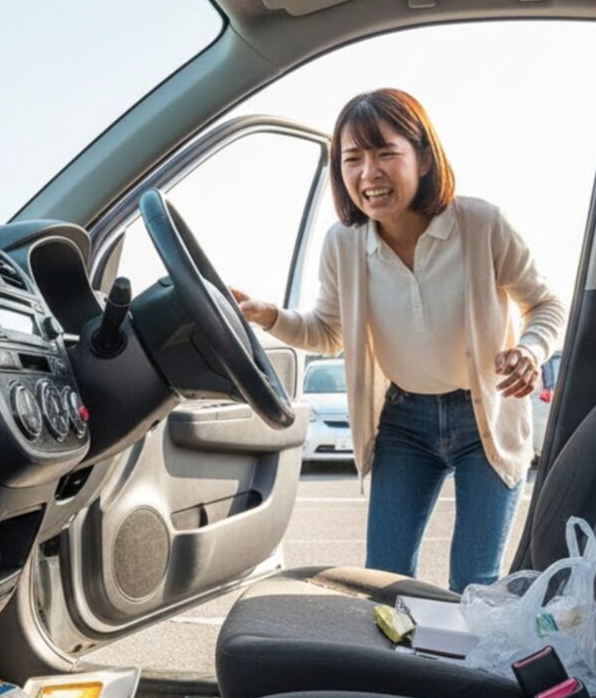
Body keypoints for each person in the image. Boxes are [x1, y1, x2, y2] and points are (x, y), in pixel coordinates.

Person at [233, 89, 564, 591]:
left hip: (485, 421)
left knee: (473, 585)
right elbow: (328, 332)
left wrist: (530, 350)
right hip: (405, 421)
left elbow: (546, 304)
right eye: (352, 159)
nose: (369, 173)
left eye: (385, 153)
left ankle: (463, 646)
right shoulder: (343, 244)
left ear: (424, 158)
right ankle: (400, 647)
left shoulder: (481, 224)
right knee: (383, 579)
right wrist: (270, 316)